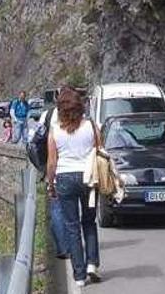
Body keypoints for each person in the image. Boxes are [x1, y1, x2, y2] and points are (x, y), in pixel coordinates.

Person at [46, 87, 101, 286]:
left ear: (60, 110)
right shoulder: (91, 126)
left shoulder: (55, 131)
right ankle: (92, 264)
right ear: (80, 107)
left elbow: (52, 162)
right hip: (89, 178)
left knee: (72, 227)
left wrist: (50, 183)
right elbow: (99, 152)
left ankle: (79, 276)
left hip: (65, 178)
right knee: (89, 221)